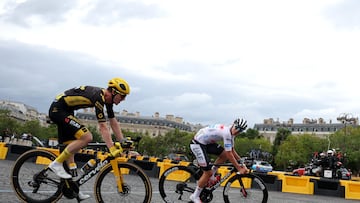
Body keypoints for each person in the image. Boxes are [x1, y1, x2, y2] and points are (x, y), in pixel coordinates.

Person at [47, 77, 130, 200]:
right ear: (113, 92)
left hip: (66, 111)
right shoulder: (98, 97)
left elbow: (113, 121)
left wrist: (122, 141)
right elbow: (102, 126)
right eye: (122, 96)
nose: (123, 100)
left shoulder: (107, 100)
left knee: (71, 158)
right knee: (87, 137)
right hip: (58, 110)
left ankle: (73, 189)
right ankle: (56, 163)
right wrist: (111, 147)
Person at [189, 118, 249, 203]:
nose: (236, 132)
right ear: (233, 125)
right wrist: (239, 168)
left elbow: (231, 150)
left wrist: (242, 162)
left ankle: (212, 175)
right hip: (197, 144)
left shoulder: (231, 133)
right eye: (236, 128)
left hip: (206, 143)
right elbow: (229, 154)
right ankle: (195, 196)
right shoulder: (227, 133)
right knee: (208, 172)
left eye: (240, 131)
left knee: (223, 154)